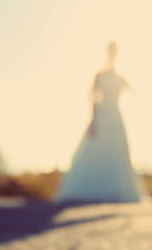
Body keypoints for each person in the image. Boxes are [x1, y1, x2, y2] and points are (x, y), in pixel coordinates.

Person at [55, 42, 146, 204]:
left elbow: (138, 97)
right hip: (101, 117)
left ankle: (115, 189)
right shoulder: (99, 75)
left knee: (117, 154)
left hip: (116, 119)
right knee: (95, 152)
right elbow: (92, 98)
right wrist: (92, 119)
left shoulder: (121, 78)